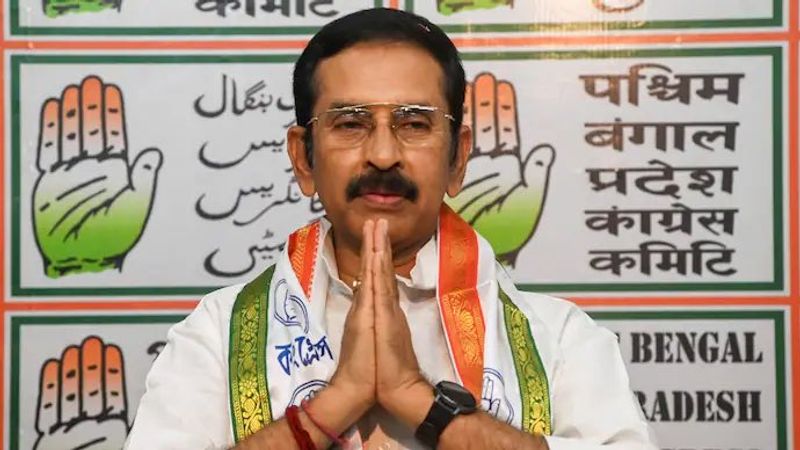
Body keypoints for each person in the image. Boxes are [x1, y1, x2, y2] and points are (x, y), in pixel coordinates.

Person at [126, 8, 657, 450]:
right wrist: (335, 404)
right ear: (303, 159)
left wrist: (419, 401)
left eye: (414, 123)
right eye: (351, 123)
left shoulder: (559, 340)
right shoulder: (218, 334)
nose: (383, 154)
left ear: (458, 159)